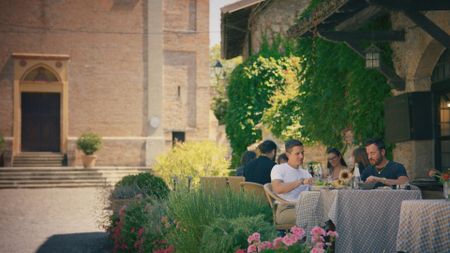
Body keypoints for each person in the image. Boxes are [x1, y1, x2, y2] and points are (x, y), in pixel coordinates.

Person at [271, 139, 313, 225]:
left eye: (302, 153)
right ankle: (312, 238)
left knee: (327, 212)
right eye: (297, 153)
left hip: (305, 207)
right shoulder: (279, 168)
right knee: (313, 215)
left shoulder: (305, 173)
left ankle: (327, 237)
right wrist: (300, 182)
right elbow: (278, 189)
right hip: (285, 209)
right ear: (288, 154)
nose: (301, 156)